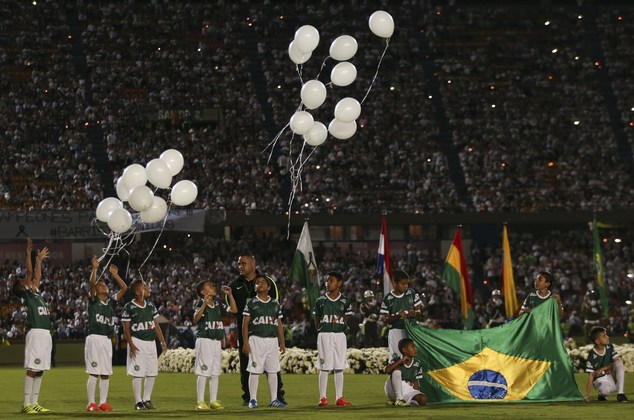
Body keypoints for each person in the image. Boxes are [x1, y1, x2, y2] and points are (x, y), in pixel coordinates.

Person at [228, 254, 286, 405]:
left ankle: (277, 397)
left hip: (268, 331)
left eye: (244, 263)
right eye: (239, 263)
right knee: (247, 366)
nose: (240, 266)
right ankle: (249, 398)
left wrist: (281, 341)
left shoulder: (268, 282)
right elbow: (233, 311)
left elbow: (274, 306)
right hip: (247, 332)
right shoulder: (234, 285)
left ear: (253, 264)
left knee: (273, 368)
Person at [85, 257, 128, 412]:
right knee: (94, 372)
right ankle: (91, 403)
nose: (104, 285)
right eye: (101, 284)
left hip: (106, 340)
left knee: (105, 373)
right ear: (96, 290)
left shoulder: (109, 302)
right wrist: (95, 269)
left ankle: (103, 402)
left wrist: (115, 275)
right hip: (94, 338)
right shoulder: (93, 301)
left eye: (104, 283)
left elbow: (124, 289)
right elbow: (91, 283)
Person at [16, 239, 51, 414]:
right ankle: (26, 403)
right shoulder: (28, 295)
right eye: (24, 281)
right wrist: (28, 255)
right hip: (36, 333)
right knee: (33, 369)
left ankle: (35, 402)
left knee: (40, 369)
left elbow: (37, 276)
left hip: (45, 333)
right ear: (22, 287)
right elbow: (30, 273)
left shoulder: (35, 292)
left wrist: (39, 261)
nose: (28, 280)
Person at [121, 279, 168, 411]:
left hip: (151, 342)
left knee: (152, 372)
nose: (148, 289)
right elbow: (126, 328)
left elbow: (156, 324)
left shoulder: (150, 305)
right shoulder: (129, 307)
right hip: (137, 341)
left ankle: (147, 399)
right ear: (137, 291)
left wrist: (162, 341)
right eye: (144, 287)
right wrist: (131, 345)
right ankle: (138, 402)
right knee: (138, 373)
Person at [242, 275, 287, 409]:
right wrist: (245, 342)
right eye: (257, 283)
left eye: (262, 283)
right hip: (256, 339)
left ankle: (274, 399)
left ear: (269, 287)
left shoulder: (275, 303)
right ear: (255, 288)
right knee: (255, 370)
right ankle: (253, 399)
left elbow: (279, 324)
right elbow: (245, 324)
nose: (259, 284)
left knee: (273, 371)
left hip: (272, 340)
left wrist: (282, 342)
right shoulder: (250, 302)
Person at [193, 279, 238, 411]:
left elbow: (234, 310)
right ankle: (200, 401)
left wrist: (230, 295)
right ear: (203, 292)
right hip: (205, 340)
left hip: (216, 342)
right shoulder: (200, 302)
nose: (213, 285)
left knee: (215, 372)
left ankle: (213, 401)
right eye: (209, 285)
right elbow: (196, 318)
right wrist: (204, 305)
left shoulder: (218, 304)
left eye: (213, 284)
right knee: (203, 371)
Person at [313, 271, 353, 407]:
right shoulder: (320, 301)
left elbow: (347, 317)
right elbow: (316, 318)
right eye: (327, 280)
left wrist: (340, 325)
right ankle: (322, 398)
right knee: (325, 367)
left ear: (340, 283)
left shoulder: (345, 301)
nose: (328, 283)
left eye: (331, 280)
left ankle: (339, 398)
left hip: (339, 335)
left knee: (339, 367)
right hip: (324, 335)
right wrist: (321, 329)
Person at [380, 270, 422, 361]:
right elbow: (386, 319)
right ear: (395, 283)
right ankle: (394, 375)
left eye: (407, 284)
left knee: (413, 360)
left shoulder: (411, 293)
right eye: (403, 284)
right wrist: (398, 316)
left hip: (411, 331)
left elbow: (419, 313)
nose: (406, 286)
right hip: (396, 332)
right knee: (397, 360)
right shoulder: (388, 299)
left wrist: (414, 313)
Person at [584, 326, 628, 402]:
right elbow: (591, 375)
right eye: (604, 336)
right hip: (600, 379)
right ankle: (602, 394)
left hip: (611, 376)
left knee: (619, 362)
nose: (608, 337)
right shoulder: (591, 355)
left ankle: (620, 393)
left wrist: (602, 369)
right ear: (597, 341)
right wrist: (587, 394)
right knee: (605, 392)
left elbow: (617, 361)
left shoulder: (609, 346)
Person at [384, 338, 428, 407]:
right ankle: (399, 399)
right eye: (412, 347)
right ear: (404, 350)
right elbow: (387, 370)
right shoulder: (396, 360)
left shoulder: (417, 363)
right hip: (392, 389)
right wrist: (400, 361)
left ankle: (397, 401)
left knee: (423, 400)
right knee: (396, 371)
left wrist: (418, 393)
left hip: (407, 389)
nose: (415, 349)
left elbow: (415, 380)